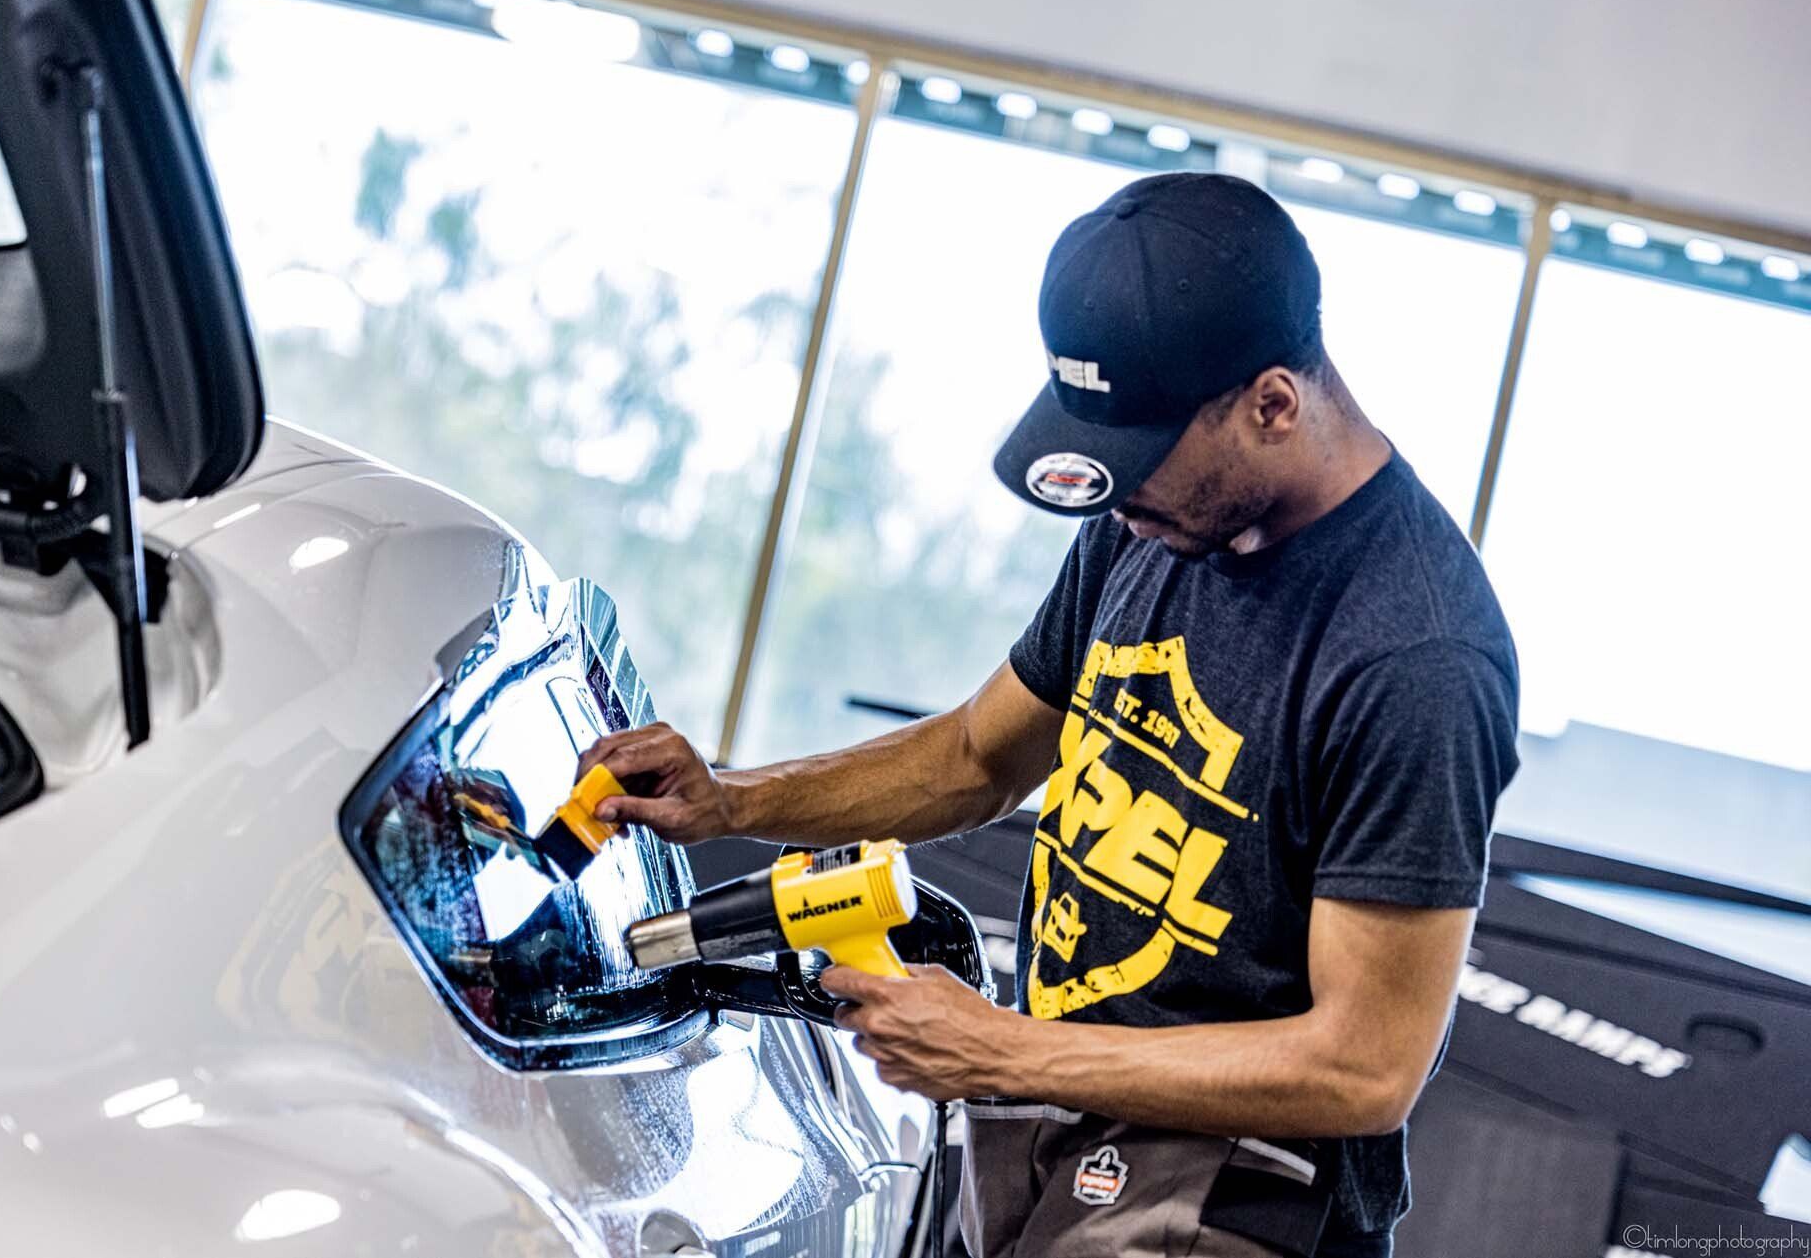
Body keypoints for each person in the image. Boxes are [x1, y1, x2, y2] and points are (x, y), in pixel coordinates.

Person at [578, 172, 1520, 1258]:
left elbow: (1364, 1068)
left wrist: (1000, 1051)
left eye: (1148, 459)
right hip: (1054, 1118)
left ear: (1273, 404)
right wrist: (733, 798)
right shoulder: (1153, 524)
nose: (1118, 500)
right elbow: (979, 756)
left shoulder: (1416, 653)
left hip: (1239, 1190)